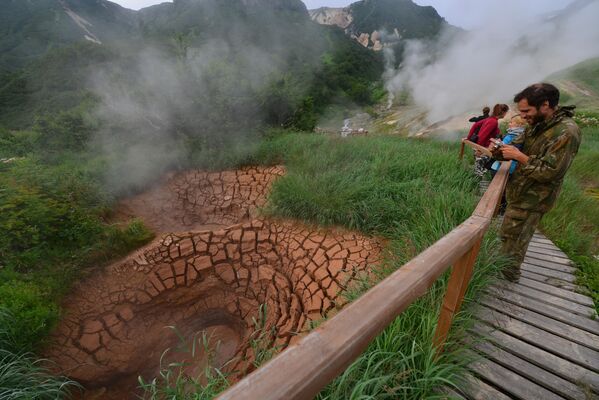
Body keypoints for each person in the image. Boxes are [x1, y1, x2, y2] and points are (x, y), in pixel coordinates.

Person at [491, 83, 581, 281]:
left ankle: (505, 285)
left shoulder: (566, 132)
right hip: (520, 194)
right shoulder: (538, 126)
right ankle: (501, 275)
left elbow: (551, 172)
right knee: (508, 237)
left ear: (545, 105)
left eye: (526, 111)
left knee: (515, 243)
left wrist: (520, 157)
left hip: (533, 200)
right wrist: (501, 150)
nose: (523, 116)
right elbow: (519, 147)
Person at [466, 103, 509, 176]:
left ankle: (476, 180)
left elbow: (475, 125)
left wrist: (469, 137)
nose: (506, 114)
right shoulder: (493, 121)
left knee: (479, 169)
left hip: (482, 147)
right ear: (503, 112)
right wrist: (479, 150)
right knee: (480, 172)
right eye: (506, 112)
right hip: (484, 148)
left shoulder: (490, 119)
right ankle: (478, 182)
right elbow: (482, 135)